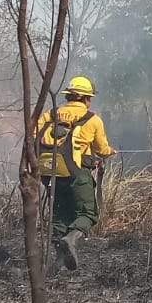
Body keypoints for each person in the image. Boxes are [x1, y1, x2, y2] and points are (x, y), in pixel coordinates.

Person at [33, 75, 114, 271]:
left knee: (60, 215)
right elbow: (102, 149)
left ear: (69, 96)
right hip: (77, 174)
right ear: (85, 99)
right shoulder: (92, 119)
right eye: (89, 98)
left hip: (50, 174)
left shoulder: (49, 115)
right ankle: (71, 239)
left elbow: (34, 137)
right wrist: (109, 151)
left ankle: (58, 264)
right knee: (88, 212)